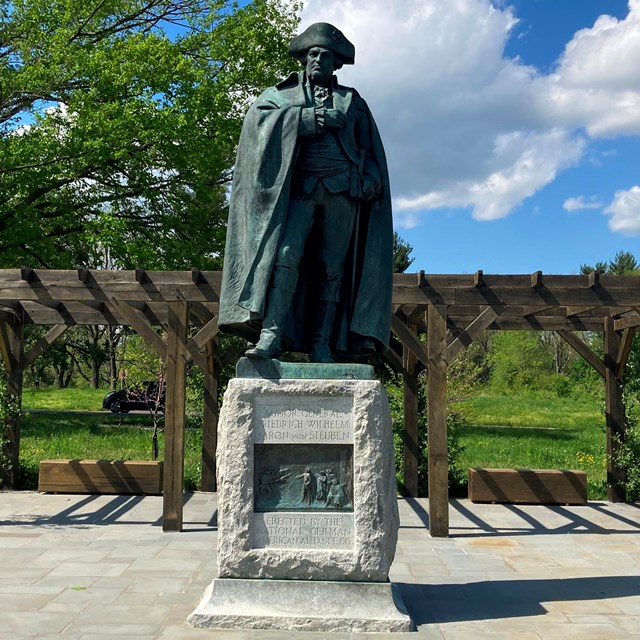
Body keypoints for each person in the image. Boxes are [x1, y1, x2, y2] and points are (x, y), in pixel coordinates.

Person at [219, 23, 392, 362]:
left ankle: (322, 344)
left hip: (343, 193)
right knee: (285, 257)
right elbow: (258, 127)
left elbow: (370, 152)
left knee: (333, 268)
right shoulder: (279, 96)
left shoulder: (353, 103)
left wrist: (371, 177)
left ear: (336, 63)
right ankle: (271, 335)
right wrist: (306, 119)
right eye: (312, 54)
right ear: (303, 59)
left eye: (325, 55)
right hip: (299, 191)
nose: (318, 60)